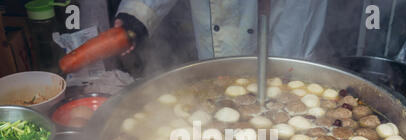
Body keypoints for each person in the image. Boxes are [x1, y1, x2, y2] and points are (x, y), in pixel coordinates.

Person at [114, 0, 328, 60]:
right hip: (227, 17)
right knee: (221, 80)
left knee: (289, 76)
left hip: (291, 13)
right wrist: (140, 13)